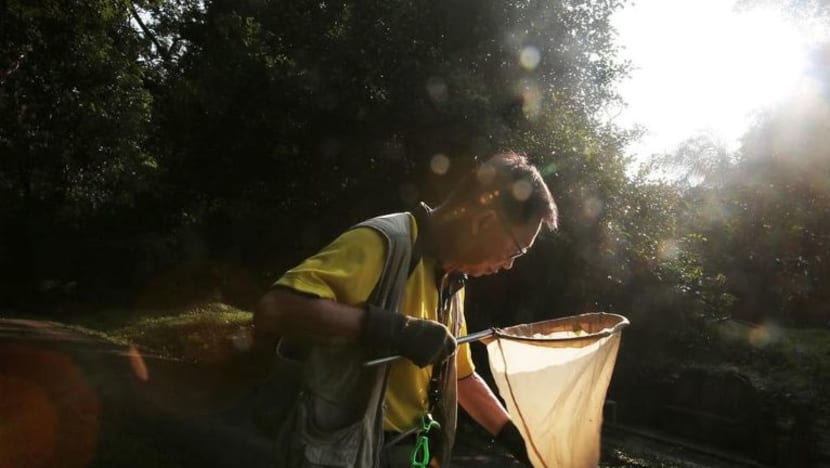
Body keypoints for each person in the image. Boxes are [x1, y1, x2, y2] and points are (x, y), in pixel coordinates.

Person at [254, 151, 558, 467]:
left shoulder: (453, 282)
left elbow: (462, 377)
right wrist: (394, 329)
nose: (508, 265)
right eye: (514, 250)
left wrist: (518, 440)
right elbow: (275, 309)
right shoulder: (386, 241)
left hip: (406, 450)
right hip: (342, 449)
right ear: (483, 221)